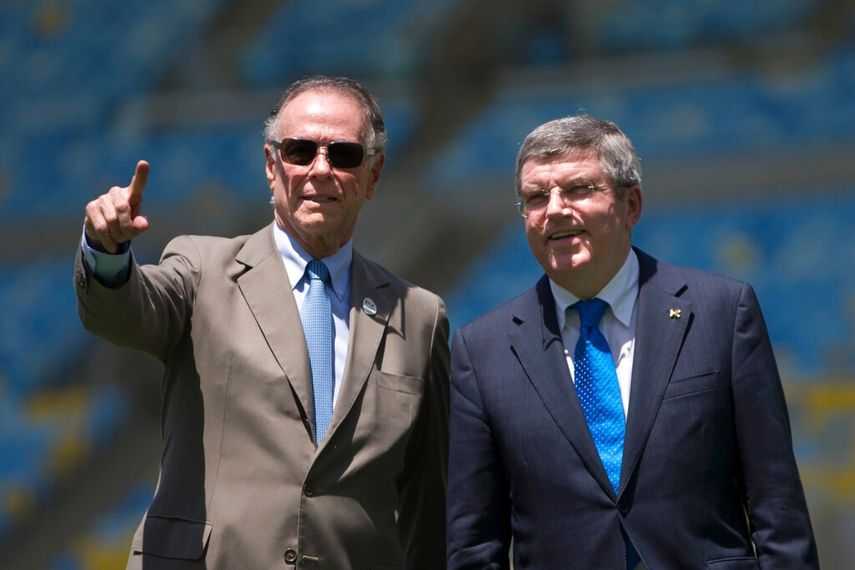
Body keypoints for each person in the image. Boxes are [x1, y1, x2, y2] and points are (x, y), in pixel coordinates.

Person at [75, 75, 449, 570]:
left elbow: (430, 508)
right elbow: (125, 316)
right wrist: (106, 253)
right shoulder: (202, 268)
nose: (321, 169)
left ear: (373, 175)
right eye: (300, 151)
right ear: (272, 167)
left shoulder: (418, 316)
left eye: (343, 155)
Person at [446, 114, 818, 569]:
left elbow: (778, 507)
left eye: (578, 189)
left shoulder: (722, 312)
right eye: (536, 197)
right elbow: (473, 543)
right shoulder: (480, 350)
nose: (555, 209)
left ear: (631, 205)